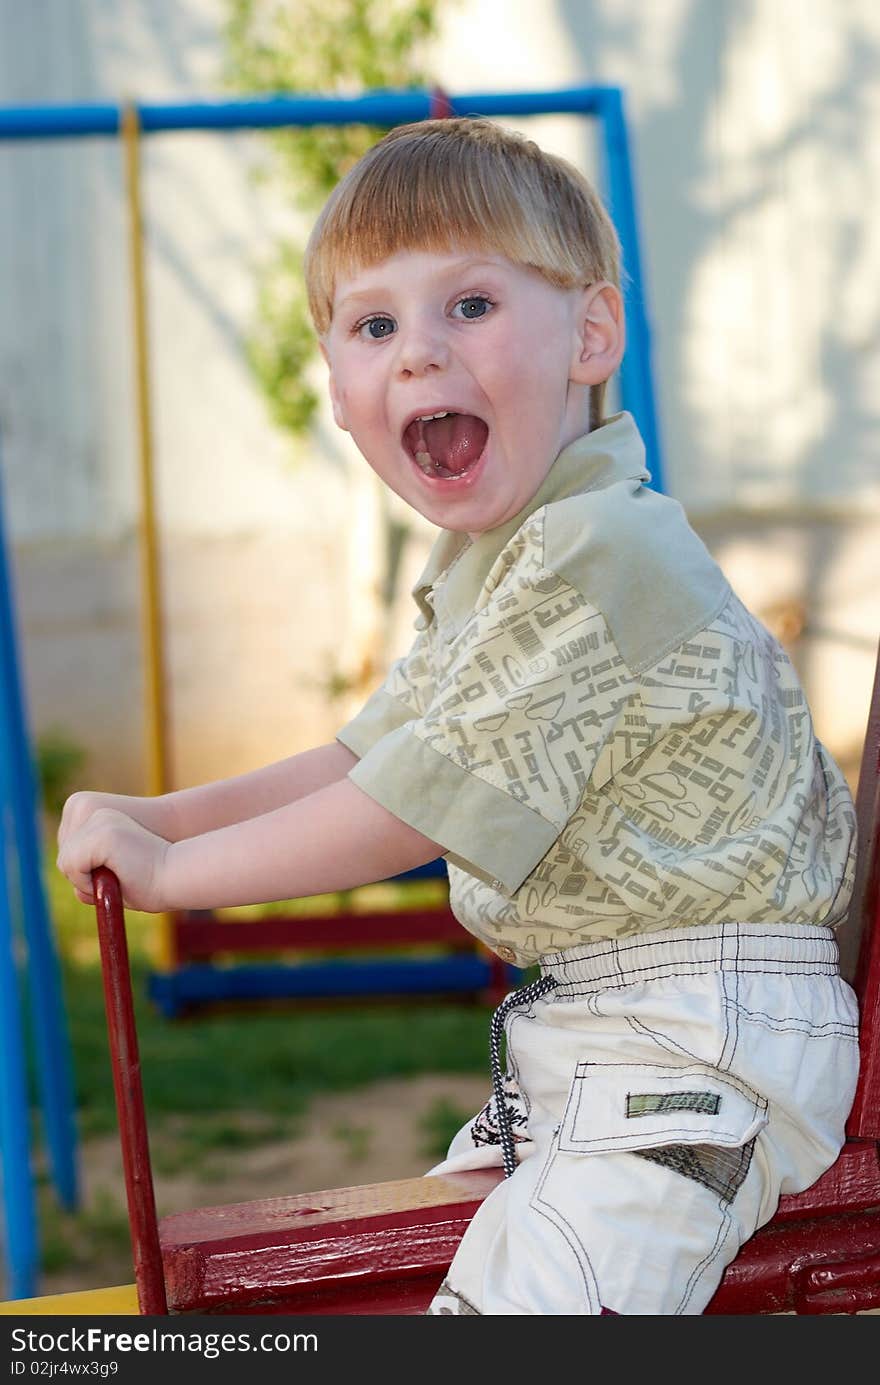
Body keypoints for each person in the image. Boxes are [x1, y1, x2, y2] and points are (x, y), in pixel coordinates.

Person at [57, 117, 860, 1316]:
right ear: (338, 389)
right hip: (608, 1032)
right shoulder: (501, 565)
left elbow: (401, 809)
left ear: (591, 333)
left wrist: (173, 870)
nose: (420, 354)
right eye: (376, 325)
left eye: (469, 305)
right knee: (444, 1282)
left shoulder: (600, 550)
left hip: (702, 1041)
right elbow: (359, 756)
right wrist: (154, 814)